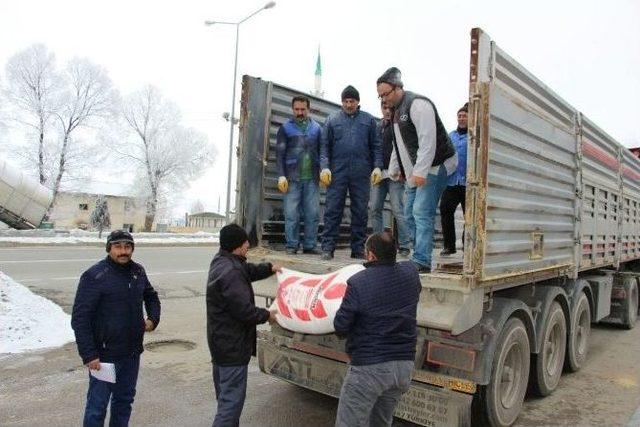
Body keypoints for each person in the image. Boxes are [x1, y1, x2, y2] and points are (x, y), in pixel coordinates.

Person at [71, 230, 161, 427]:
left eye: (127, 247)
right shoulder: (94, 276)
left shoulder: (138, 271)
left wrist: (152, 319)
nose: (123, 251)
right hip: (104, 357)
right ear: (109, 248)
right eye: (118, 246)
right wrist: (89, 354)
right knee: (97, 408)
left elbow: (151, 296)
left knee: (124, 402)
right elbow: (80, 318)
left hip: (131, 354)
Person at [333, 232, 421, 427]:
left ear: (370, 255)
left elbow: (341, 326)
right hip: (403, 367)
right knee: (381, 423)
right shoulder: (411, 273)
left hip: (369, 368)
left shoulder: (359, 282)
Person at [376, 67, 457, 273]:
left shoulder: (418, 105)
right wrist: (395, 168)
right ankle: (417, 252)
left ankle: (422, 260)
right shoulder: (395, 112)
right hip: (417, 168)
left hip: (438, 164)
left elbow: (427, 141)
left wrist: (420, 172)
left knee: (421, 211)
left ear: (398, 88)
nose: (383, 99)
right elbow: (399, 143)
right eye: (380, 96)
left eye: (386, 94)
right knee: (408, 211)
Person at [206, 223, 280, 426]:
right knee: (230, 405)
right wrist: (267, 315)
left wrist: (269, 269)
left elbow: (246, 270)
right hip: (232, 349)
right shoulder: (231, 272)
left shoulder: (223, 261)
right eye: (245, 241)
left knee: (225, 401)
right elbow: (243, 311)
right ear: (237, 245)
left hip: (221, 346)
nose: (248, 244)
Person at [320, 85, 383, 260]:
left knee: (360, 211)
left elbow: (376, 146)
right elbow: (324, 146)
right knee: (333, 210)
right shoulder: (332, 120)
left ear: (358, 101)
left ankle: (357, 249)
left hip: (361, 172)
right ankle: (327, 248)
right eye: (346, 101)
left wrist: (377, 166)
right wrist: (324, 166)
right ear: (342, 102)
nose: (349, 104)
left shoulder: (369, 121)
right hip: (337, 172)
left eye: (352, 101)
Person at [276, 95, 322, 255]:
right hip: (292, 178)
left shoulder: (317, 129)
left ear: (308, 109)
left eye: (303, 109)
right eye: (297, 109)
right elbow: (280, 154)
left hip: (313, 178)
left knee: (313, 213)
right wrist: (281, 175)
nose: (300, 112)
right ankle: (291, 245)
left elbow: (323, 152)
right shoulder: (285, 128)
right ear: (292, 109)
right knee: (291, 214)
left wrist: (324, 170)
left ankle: (310, 245)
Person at [369, 101, 411, 257]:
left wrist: (403, 171)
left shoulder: (400, 127)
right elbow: (372, 149)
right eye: (384, 108)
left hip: (395, 175)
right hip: (379, 174)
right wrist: (374, 168)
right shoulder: (377, 127)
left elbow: (406, 151)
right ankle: (378, 244)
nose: (387, 111)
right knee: (374, 208)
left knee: (398, 210)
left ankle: (405, 245)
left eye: (390, 108)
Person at [440, 103, 469, 256]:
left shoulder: (473, 136)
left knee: (468, 216)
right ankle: (449, 246)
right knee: (445, 210)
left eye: (464, 115)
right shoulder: (451, 136)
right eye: (459, 116)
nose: (462, 118)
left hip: (468, 183)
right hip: (451, 181)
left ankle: (467, 245)